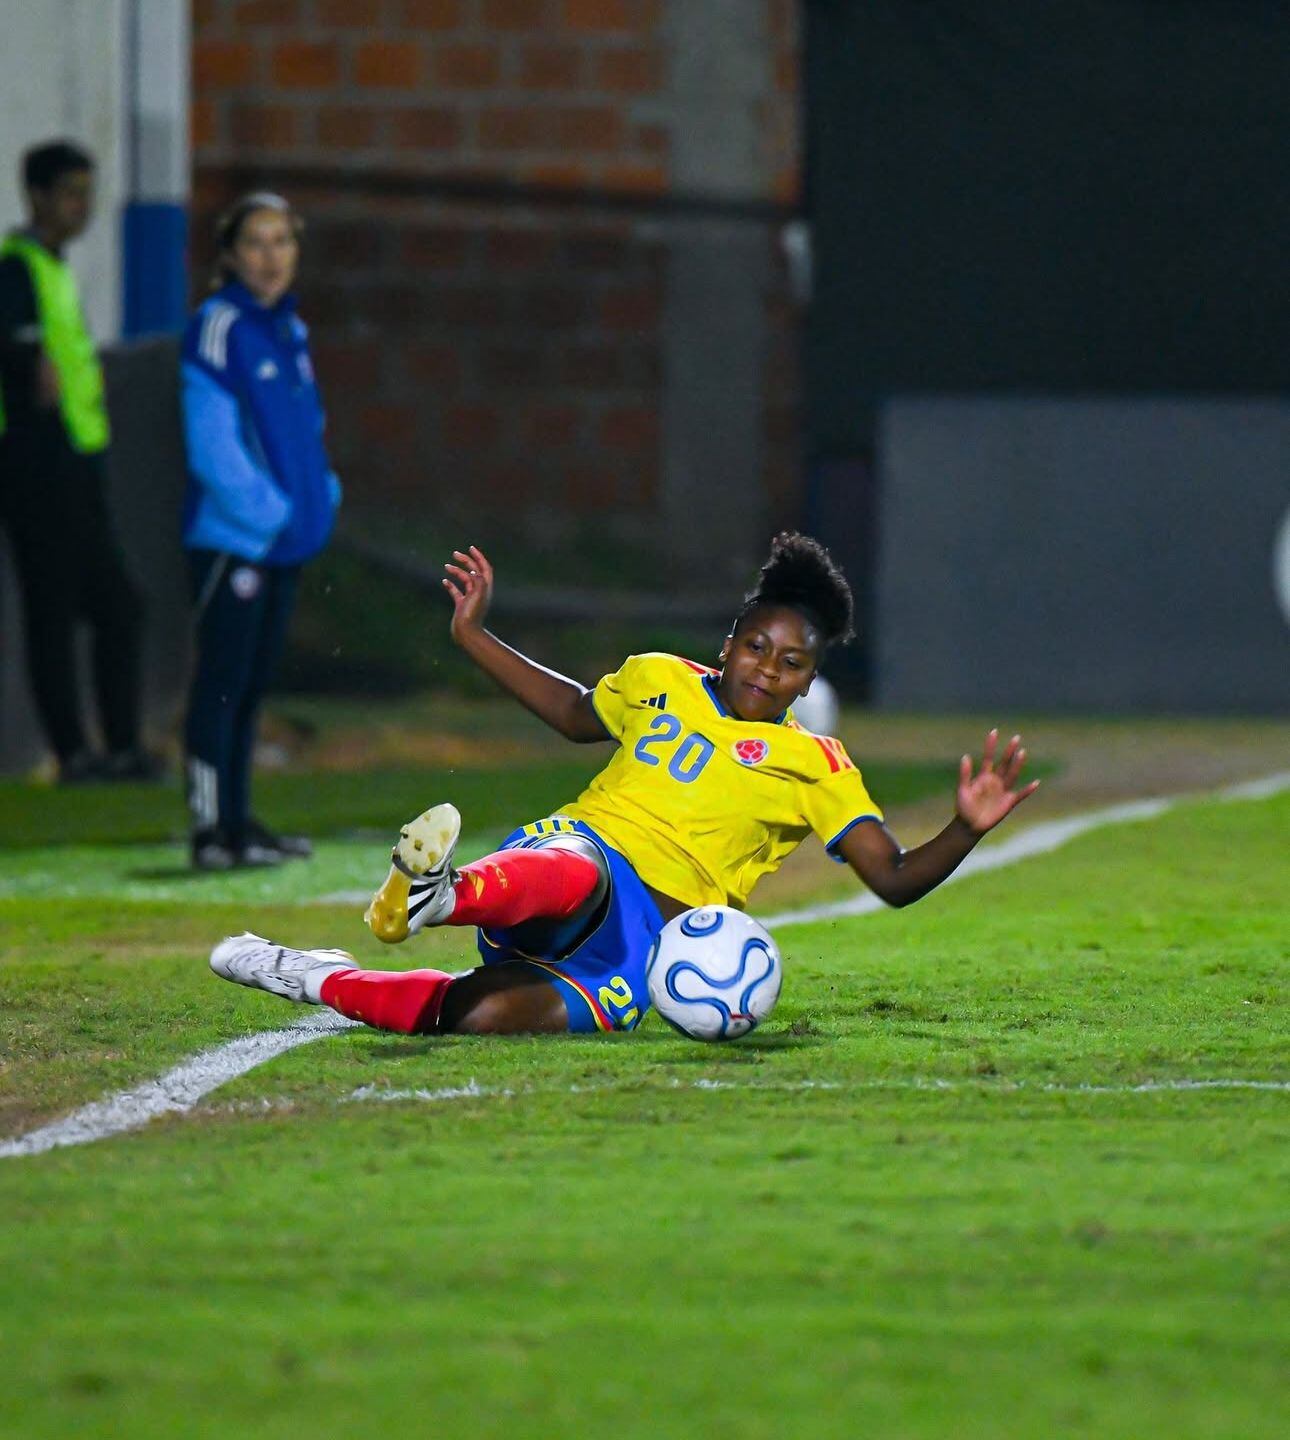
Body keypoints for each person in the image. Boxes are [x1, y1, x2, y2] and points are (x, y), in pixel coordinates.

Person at [211, 533, 1040, 1036]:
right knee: (584, 868)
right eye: (757, 646)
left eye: (792, 663)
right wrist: (476, 635)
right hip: (566, 864)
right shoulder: (660, 678)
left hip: (642, 956)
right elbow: (574, 714)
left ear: (808, 682)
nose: (767, 669)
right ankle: (440, 896)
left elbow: (890, 878)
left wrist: (966, 827)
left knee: (480, 1016)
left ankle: (305, 972)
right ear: (730, 640)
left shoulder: (817, 765)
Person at [180, 192, 341, 870]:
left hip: (284, 542)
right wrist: (270, 513)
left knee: (250, 687)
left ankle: (240, 821)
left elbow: (307, 431)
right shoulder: (218, 328)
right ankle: (210, 831)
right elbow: (212, 446)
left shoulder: (288, 330)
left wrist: (321, 499)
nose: (270, 256)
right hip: (236, 541)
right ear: (229, 254)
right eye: (256, 242)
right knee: (221, 683)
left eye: (282, 241)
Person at [0, 139, 156, 783]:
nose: (82, 207)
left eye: (88, 193)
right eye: (70, 193)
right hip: (36, 462)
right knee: (54, 609)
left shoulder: (53, 267)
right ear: (36, 196)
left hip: (78, 460)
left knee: (118, 605)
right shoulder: (16, 269)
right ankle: (74, 753)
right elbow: (25, 364)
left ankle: (119, 746)